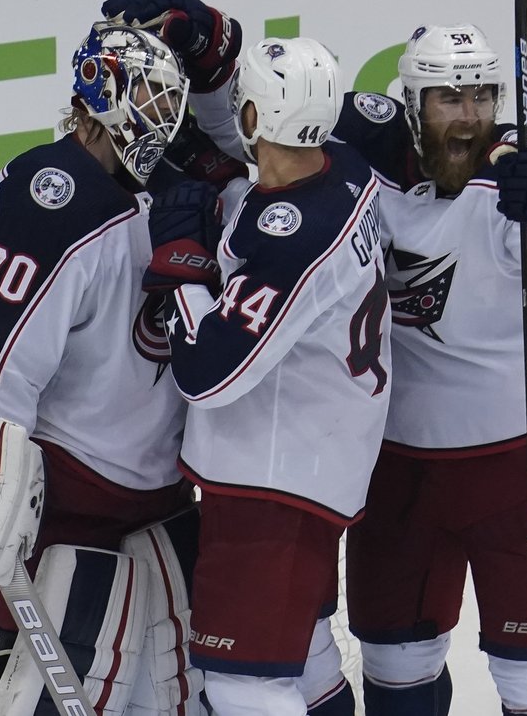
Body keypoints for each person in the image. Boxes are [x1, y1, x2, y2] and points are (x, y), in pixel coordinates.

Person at [104, 0, 527, 716]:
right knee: (396, 664)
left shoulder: (525, 180)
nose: (470, 116)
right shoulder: (354, 151)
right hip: (396, 464)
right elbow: (253, 137)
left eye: (482, 95)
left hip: (521, 460)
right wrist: (211, 51)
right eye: (450, 97)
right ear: (411, 100)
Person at [0, 22, 208, 716]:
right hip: (66, 500)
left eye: (170, 99)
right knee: (40, 683)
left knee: (164, 688)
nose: (164, 117)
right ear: (100, 96)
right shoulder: (54, 194)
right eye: (149, 97)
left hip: (159, 493)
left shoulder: (174, 193)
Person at [137, 35, 393, 716]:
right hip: (316, 458)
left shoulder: (294, 242)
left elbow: (209, 373)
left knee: (244, 684)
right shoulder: (345, 166)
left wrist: (182, 261)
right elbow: (256, 190)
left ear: (255, 117)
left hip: (271, 483)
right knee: (305, 660)